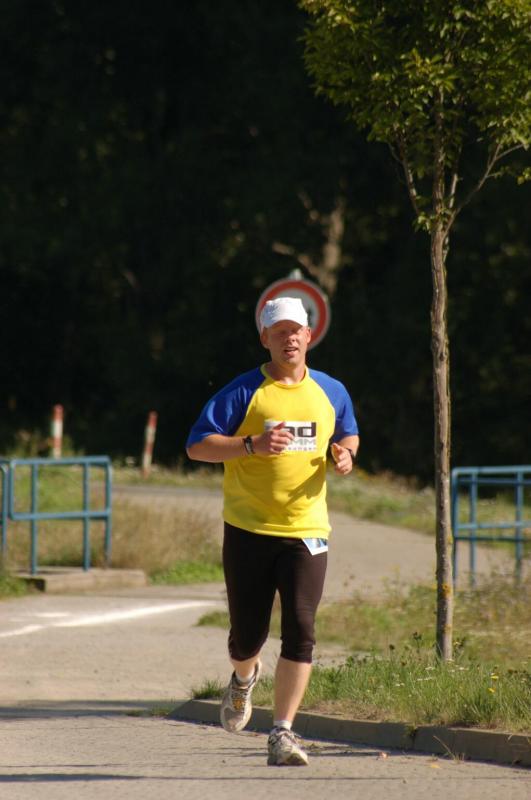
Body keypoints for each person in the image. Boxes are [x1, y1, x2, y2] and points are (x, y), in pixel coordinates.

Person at [186, 297, 359, 766]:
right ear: (265, 338)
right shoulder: (244, 391)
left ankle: (282, 732)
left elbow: (347, 431)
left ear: (309, 336)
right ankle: (244, 677)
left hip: (307, 529)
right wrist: (250, 445)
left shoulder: (331, 390)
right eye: (279, 331)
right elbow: (197, 446)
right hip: (249, 529)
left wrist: (345, 454)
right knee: (247, 637)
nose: (289, 338)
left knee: (302, 629)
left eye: (296, 330)